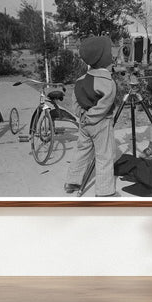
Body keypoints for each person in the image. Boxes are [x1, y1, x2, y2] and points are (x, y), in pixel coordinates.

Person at [64, 36, 118, 197]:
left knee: (82, 150)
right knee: (104, 156)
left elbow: (75, 100)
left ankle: (72, 181)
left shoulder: (81, 80)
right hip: (100, 123)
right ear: (104, 58)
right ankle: (105, 191)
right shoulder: (107, 81)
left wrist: (82, 115)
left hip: (84, 123)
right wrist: (93, 116)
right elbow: (105, 104)